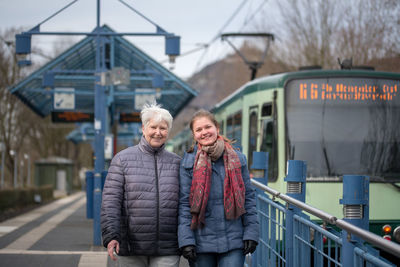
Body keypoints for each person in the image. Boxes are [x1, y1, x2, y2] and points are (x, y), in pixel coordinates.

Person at [101, 103, 181, 267]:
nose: (158, 132)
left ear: (168, 131)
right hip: (131, 248)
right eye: (153, 127)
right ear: (143, 128)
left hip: (168, 248)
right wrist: (111, 236)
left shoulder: (177, 163)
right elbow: (111, 202)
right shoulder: (122, 160)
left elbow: (185, 204)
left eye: (163, 128)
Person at [178, 109, 259, 267]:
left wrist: (251, 233)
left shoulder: (238, 159)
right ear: (194, 135)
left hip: (234, 241)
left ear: (217, 128)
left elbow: (248, 198)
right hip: (200, 242)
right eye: (199, 130)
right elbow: (184, 205)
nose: (204, 132)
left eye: (208, 127)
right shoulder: (187, 163)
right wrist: (186, 241)